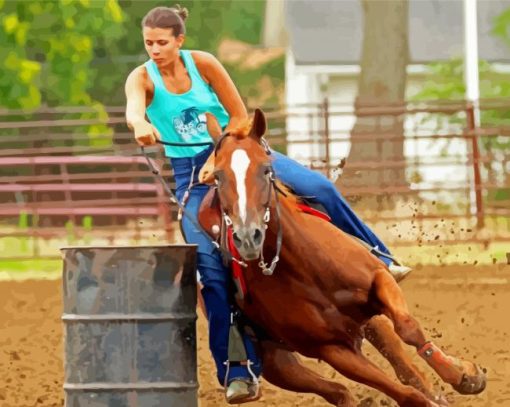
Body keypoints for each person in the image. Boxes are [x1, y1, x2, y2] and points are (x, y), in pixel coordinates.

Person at [125, 4, 411, 404]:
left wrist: (219, 157)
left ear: (179, 41)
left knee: (320, 188)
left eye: (161, 43)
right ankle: (237, 369)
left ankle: (379, 256)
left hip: (240, 152)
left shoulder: (204, 64)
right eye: (148, 43)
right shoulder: (142, 78)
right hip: (193, 179)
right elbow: (134, 109)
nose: (154, 50)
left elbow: (240, 115)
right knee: (209, 274)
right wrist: (140, 125)